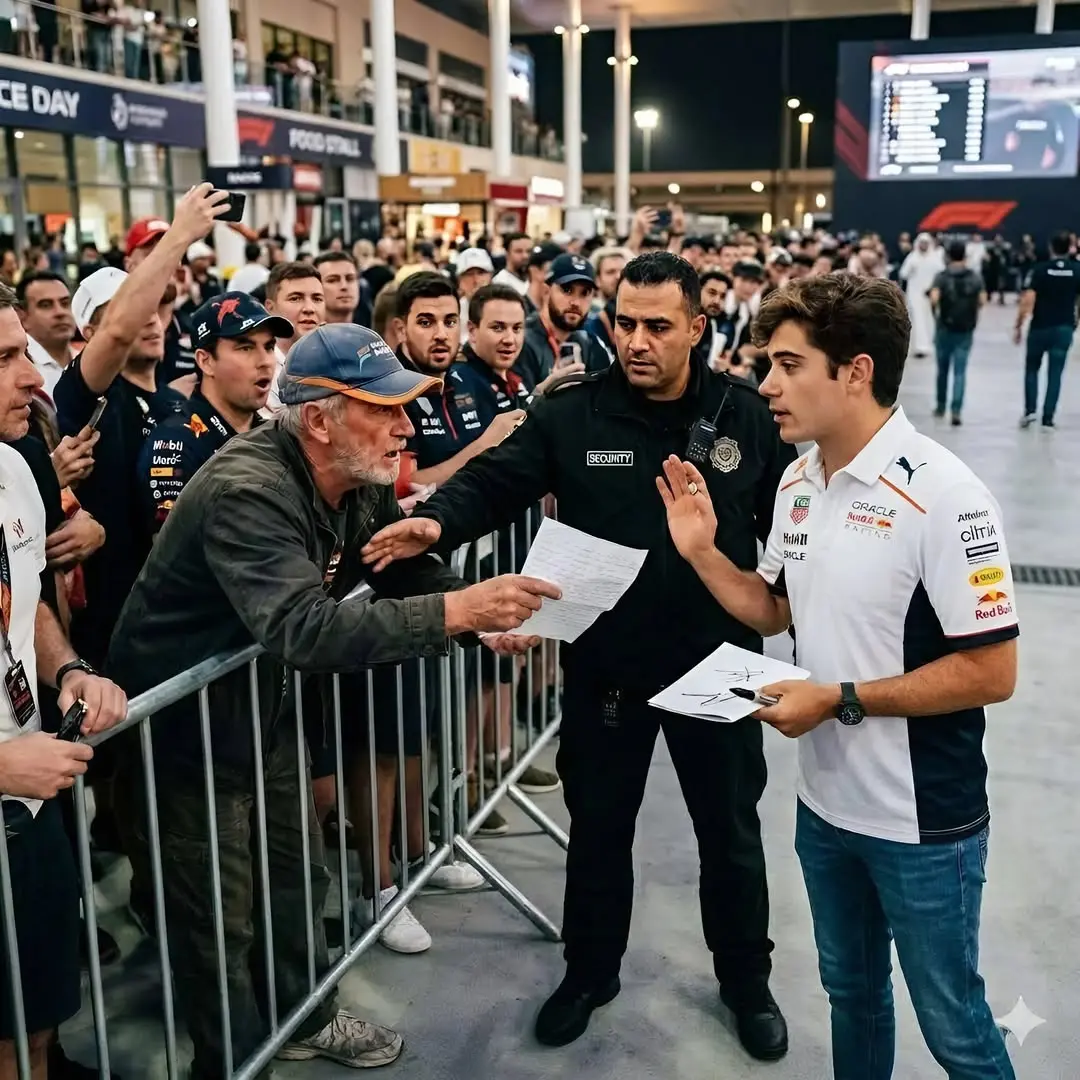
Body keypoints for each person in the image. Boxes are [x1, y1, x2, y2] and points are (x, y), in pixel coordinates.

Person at [361, 251, 794, 1060]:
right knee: (598, 828)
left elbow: (794, 531)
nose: (636, 341)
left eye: (658, 326)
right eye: (624, 323)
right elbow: (496, 480)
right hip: (609, 667)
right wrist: (438, 522)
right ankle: (589, 973)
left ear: (697, 328)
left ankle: (746, 982)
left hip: (720, 664)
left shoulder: (747, 417)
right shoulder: (575, 413)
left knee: (730, 832)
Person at [106, 322, 559, 1077]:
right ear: (319, 420)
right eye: (383, 409)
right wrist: (457, 612)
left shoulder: (353, 476)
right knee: (217, 919)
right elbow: (304, 629)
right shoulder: (247, 491)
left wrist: (477, 615)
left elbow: (390, 565)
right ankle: (235, 1060)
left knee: (295, 881)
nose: (405, 427)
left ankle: (306, 1016)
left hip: (265, 712)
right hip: (185, 740)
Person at [657, 271, 1018, 1080]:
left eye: (788, 365)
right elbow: (773, 610)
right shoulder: (798, 481)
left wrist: (838, 701)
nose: (767, 385)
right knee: (852, 996)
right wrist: (702, 552)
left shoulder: (947, 497)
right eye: (767, 365)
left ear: (855, 372)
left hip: (923, 823)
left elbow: (992, 670)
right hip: (825, 809)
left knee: (954, 1027)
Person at [0, 282, 128, 1080]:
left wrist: (68, 668)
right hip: (10, 773)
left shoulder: (16, 466)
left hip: (33, 782)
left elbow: (30, 600)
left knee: (40, 997)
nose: (31, 376)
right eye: (3, 359)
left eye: (22, 352)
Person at [136, 291, 289, 535]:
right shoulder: (174, 444)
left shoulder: (278, 437)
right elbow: (174, 548)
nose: (265, 361)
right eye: (245, 348)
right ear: (206, 361)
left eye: (269, 347)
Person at [514, 253, 610, 393]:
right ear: (546, 292)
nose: (575, 302)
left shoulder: (589, 341)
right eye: (567, 290)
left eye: (584, 293)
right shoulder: (521, 341)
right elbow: (518, 404)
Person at [1014, 230, 1080, 429]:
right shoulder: (1077, 270)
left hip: (1040, 327)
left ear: (1051, 247)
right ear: (1070, 248)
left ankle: (1030, 411)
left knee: (1032, 369)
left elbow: (1028, 299)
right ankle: (1048, 417)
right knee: (1055, 373)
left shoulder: (1040, 269)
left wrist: (1019, 324)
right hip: (1064, 327)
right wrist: (1076, 322)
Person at [929, 240, 986, 426]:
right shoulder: (975, 277)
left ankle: (940, 405)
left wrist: (935, 315)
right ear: (965, 256)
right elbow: (982, 300)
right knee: (960, 370)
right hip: (965, 328)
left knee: (942, 370)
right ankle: (956, 410)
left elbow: (934, 298)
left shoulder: (941, 277)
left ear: (948, 256)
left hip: (945, 326)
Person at [262, 262, 326, 410]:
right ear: (270, 308)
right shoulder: (261, 372)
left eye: (317, 299)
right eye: (295, 298)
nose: (309, 308)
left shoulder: (338, 364)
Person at [15, 271, 75, 401]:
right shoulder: (17, 368)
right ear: (22, 316)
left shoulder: (86, 358)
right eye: (46, 305)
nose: (60, 312)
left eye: (65, 303)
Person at [899, 233, 944, 358]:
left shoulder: (934, 258)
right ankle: (919, 347)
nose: (923, 245)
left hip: (929, 294)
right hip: (915, 293)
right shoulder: (912, 257)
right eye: (922, 243)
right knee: (917, 319)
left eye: (926, 243)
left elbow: (941, 273)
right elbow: (903, 273)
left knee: (929, 319)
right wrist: (911, 269)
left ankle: (928, 344)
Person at [453, 247, 494, 350]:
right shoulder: (454, 311)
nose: (476, 280)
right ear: (459, 280)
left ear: (491, 277)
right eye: (469, 274)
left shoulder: (502, 309)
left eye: (481, 273)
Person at [313, 251, 366, 327]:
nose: (344, 286)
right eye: (332, 280)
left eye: (350, 279)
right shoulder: (304, 333)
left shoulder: (373, 333)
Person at [491, 232, 532, 297]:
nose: (525, 256)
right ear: (507, 253)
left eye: (529, 251)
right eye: (519, 251)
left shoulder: (535, 279)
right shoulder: (500, 282)